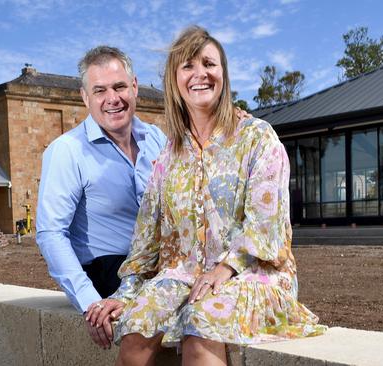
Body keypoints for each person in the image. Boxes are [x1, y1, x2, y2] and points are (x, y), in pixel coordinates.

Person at [86, 26, 326, 365]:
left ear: (223, 74)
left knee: (200, 323)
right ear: (175, 79)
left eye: (209, 64)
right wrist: (125, 294)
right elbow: (147, 239)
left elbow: (266, 226)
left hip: (253, 275)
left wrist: (225, 267)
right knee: (135, 329)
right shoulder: (169, 156)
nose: (200, 74)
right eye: (188, 66)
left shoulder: (258, 139)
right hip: (183, 276)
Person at [36, 46, 166, 349]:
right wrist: (90, 303)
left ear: (134, 87)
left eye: (120, 86)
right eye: (100, 90)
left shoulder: (156, 139)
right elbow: (51, 234)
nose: (112, 98)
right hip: (108, 270)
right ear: (85, 97)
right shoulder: (67, 151)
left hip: (160, 264)